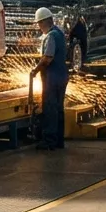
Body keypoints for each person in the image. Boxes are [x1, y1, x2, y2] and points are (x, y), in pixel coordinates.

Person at [32, 8, 69, 150]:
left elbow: (47, 58)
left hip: (52, 78)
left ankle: (49, 141)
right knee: (59, 109)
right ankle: (59, 141)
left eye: (39, 23)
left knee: (50, 109)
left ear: (45, 21)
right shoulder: (59, 33)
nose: (39, 26)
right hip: (62, 76)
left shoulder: (51, 36)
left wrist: (35, 70)